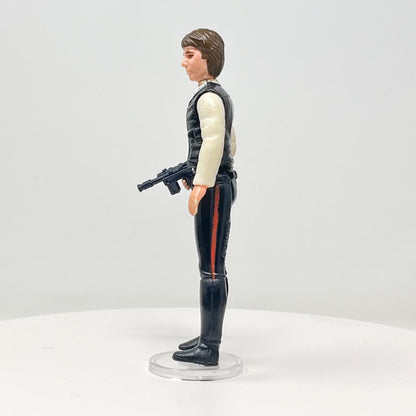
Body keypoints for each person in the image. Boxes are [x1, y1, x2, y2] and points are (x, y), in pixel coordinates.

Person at [171, 28, 237, 366]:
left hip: (214, 187)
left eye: (190, 55)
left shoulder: (208, 98)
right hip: (219, 182)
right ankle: (206, 337)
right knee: (213, 267)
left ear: (208, 59)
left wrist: (201, 184)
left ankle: (209, 348)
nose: (184, 63)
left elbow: (213, 143)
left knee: (211, 268)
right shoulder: (218, 95)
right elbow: (232, 143)